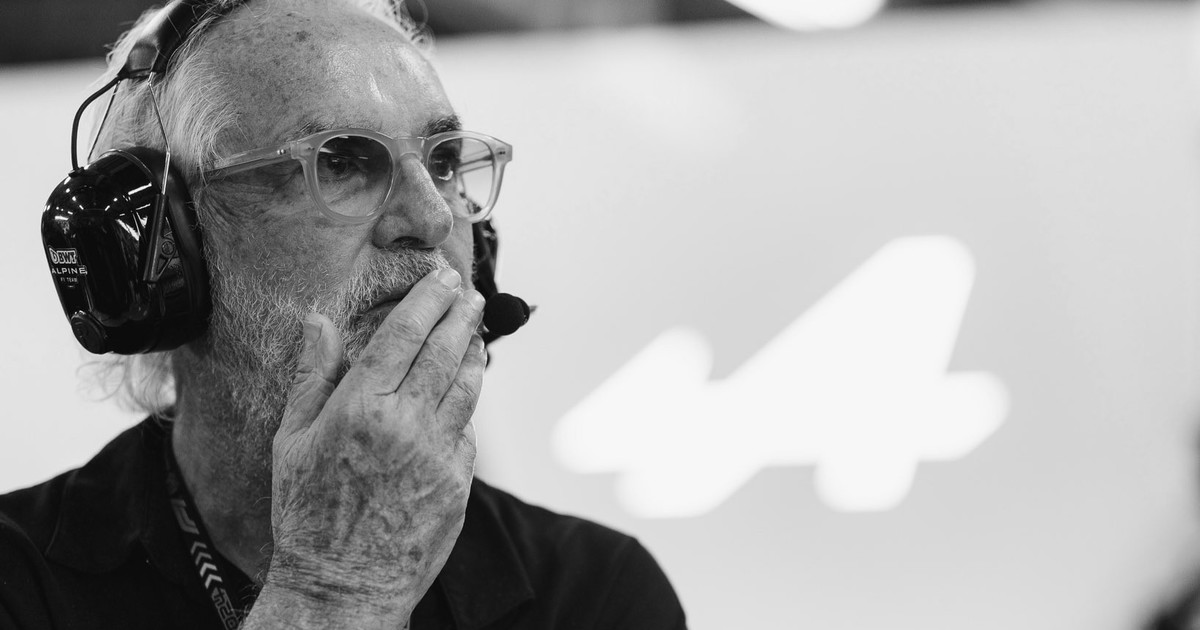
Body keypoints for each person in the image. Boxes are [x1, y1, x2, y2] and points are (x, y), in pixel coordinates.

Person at [0, 1, 687, 628]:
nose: (432, 219)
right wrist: (336, 592)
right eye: (342, 163)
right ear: (168, 251)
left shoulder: (595, 593)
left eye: (444, 162)